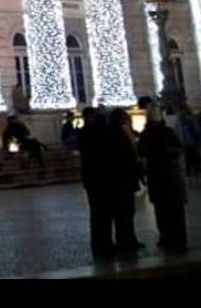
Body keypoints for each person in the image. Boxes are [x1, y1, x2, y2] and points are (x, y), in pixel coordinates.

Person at [137, 108, 188, 252]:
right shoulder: (164, 132)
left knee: (165, 209)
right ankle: (175, 237)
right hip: (166, 175)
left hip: (161, 175)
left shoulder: (148, 134)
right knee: (171, 209)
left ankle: (170, 236)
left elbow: (141, 152)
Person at [77, 108, 114, 258]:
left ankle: (102, 243)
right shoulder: (91, 134)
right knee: (101, 213)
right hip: (98, 177)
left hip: (92, 177)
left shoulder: (84, 133)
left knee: (100, 213)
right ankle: (103, 244)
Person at [106, 108, 143, 254]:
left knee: (124, 212)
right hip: (123, 178)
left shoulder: (113, 133)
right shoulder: (120, 134)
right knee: (125, 212)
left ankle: (127, 239)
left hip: (119, 179)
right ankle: (127, 241)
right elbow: (128, 155)